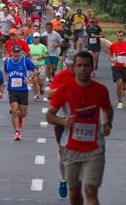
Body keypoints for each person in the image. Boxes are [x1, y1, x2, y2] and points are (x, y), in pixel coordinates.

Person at [46, 51, 113, 205]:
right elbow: (50, 112)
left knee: (90, 191)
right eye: (78, 66)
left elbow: (108, 108)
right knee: (75, 195)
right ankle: (63, 179)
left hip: (94, 149)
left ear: (92, 68)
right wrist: (63, 121)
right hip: (70, 145)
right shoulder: (64, 85)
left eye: (86, 66)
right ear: (74, 67)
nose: (82, 69)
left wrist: (108, 123)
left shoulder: (100, 90)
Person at [46, 49, 76, 200]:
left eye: (75, 64)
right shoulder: (61, 76)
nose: (73, 68)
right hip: (61, 118)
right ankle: (63, 179)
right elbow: (49, 94)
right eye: (70, 64)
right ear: (65, 63)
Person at [4, 45, 37, 141]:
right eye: (15, 52)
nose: (16, 54)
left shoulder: (25, 61)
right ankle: (17, 132)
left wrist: (29, 78)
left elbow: (35, 70)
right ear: (12, 52)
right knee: (14, 110)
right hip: (12, 90)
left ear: (20, 52)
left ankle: (20, 117)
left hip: (23, 90)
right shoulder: (8, 61)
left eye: (18, 52)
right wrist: (6, 80)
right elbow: (6, 71)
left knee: (23, 113)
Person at [109, 30, 126, 109]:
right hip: (116, 67)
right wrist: (112, 60)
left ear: (123, 36)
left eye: (121, 36)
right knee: (119, 84)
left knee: (125, 87)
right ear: (116, 36)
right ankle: (120, 102)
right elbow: (110, 55)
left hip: (125, 68)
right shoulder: (113, 45)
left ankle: (124, 91)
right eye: (118, 36)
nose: (119, 37)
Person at [29, 32, 49, 101]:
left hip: (41, 65)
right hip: (33, 66)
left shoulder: (42, 46)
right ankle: (36, 95)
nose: (36, 39)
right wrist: (29, 56)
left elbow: (47, 54)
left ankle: (41, 88)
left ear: (39, 39)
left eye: (37, 38)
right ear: (33, 39)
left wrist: (42, 56)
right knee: (34, 80)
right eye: (35, 38)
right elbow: (27, 54)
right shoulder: (30, 46)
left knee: (41, 82)